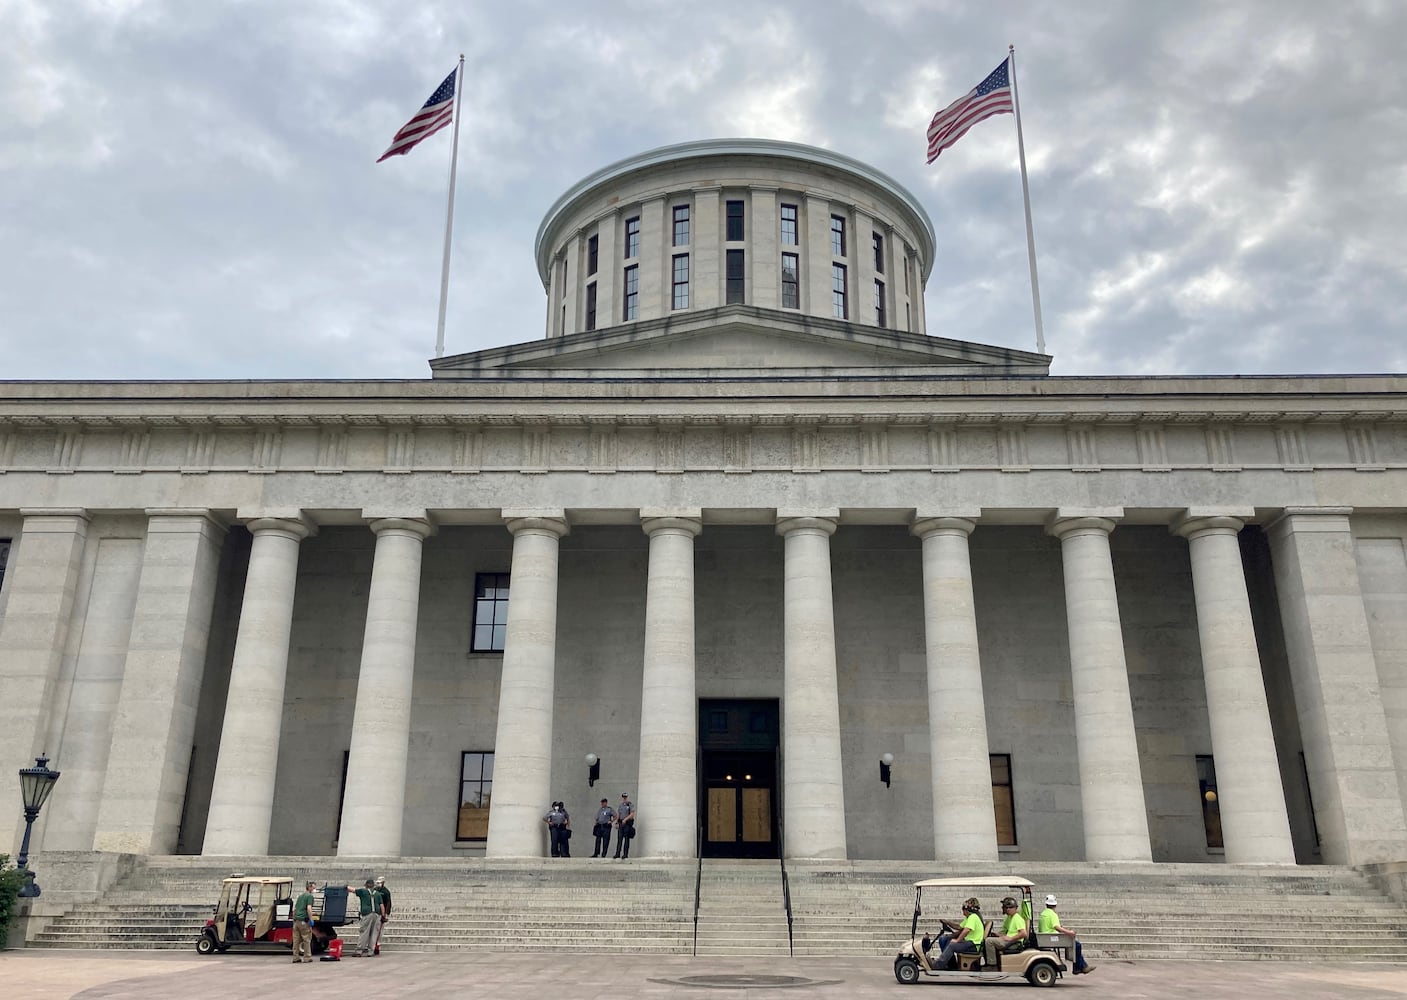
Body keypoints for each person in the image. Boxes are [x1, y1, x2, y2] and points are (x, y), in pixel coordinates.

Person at [1038, 894, 1095, 975]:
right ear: (1055, 905)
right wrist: (1069, 932)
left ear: (1046, 904)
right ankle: (1079, 967)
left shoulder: (1043, 913)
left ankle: (1082, 966)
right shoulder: (1052, 914)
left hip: (1045, 938)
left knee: (1076, 944)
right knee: (1077, 945)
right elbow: (1056, 927)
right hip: (1052, 938)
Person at [934, 897, 985, 970]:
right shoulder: (969, 918)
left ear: (966, 910)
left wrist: (957, 940)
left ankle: (937, 966)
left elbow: (966, 930)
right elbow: (959, 927)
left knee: (952, 945)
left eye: (963, 910)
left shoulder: (973, 917)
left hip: (973, 945)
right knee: (948, 941)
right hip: (970, 942)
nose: (962, 912)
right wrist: (947, 922)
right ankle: (952, 965)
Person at [985, 896, 1027, 965]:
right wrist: (997, 935)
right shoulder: (1009, 918)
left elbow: (1023, 933)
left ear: (1010, 908)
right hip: (1008, 940)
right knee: (990, 938)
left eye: (1004, 907)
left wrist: (1011, 938)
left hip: (1013, 942)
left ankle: (991, 964)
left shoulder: (1017, 918)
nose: (1003, 909)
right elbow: (1007, 932)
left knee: (989, 941)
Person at [348, 878, 378, 957]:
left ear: (366, 885)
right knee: (373, 933)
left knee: (364, 932)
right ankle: (371, 951)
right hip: (376, 915)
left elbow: (353, 890)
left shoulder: (363, 891)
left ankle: (359, 951)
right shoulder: (377, 893)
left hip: (367, 914)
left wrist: (346, 887)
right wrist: (383, 916)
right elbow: (381, 906)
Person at [291, 879, 316, 963]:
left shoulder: (300, 896)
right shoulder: (309, 896)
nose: (314, 889)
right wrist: (311, 919)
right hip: (304, 921)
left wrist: (294, 918)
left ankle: (295, 957)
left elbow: (295, 909)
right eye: (313, 887)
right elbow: (309, 908)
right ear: (309, 888)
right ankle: (307, 957)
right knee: (306, 939)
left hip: (296, 921)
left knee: (296, 940)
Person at [613, 792, 636, 859]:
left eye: (625, 797)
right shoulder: (621, 805)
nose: (624, 798)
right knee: (619, 839)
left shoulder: (630, 805)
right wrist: (617, 822)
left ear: (627, 797)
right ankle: (617, 853)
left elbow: (632, 814)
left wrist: (625, 819)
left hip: (627, 823)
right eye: (623, 797)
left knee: (626, 839)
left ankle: (625, 854)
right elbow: (618, 814)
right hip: (621, 823)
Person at [371, 876, 390, 955]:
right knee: (373, 929)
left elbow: (388, 903)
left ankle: (377, 946)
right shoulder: (375, 890)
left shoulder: (386, 892)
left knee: (379, 931)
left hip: (382, 912)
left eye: (380, 882)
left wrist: (385, 914)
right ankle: (371, 945)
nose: (379, 884)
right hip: (375, 911)